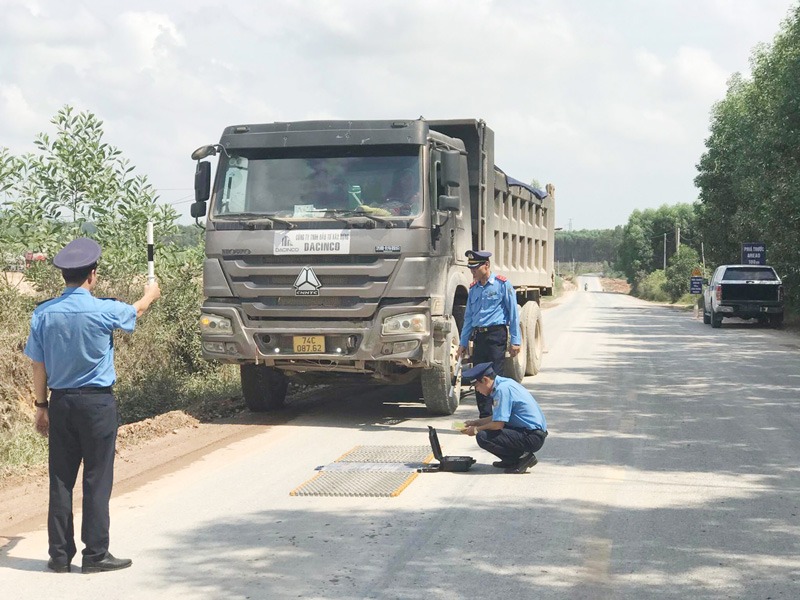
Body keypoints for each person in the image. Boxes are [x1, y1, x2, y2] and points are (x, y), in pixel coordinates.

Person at [25, 237, 161, 574]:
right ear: (92, 275)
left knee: (60, 480)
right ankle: (95, 555)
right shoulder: (104, 309)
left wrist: (41, 405)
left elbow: (37, 365)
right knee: (97, 479)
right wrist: (151, 293)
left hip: (61, 402)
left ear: (64, 277)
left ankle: (59, 556)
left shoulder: (43, 313)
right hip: (97, 404)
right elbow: (137, 310)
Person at [456, 250, 521, 418]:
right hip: (479, 337)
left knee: (495, 377)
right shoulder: (474, 289)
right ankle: (485, 418)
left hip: (496, 336)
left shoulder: (502, 284)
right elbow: (469, 317)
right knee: (479, 378)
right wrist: (463, 343)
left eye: (475, 268)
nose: (472, 271)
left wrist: (515, 340)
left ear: (486, 265)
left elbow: (513, 314)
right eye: (471, 268)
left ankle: (499, 417)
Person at [459, 362, 547, 474]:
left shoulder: (502, 390)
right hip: (529, 433)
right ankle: (510, 460)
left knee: (483, 436)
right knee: (486, 431)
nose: (477, 390)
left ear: (485, 380)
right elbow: (498, 417)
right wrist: (474, 422)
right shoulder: (504, 384)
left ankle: (522, 458)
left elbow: (497, 424)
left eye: (476, 386)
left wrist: (475, 430)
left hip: (532, 436)